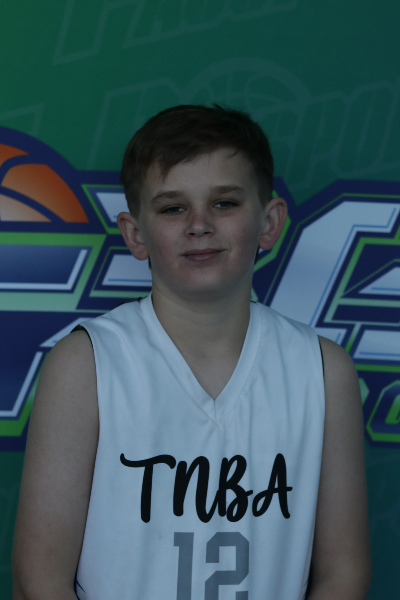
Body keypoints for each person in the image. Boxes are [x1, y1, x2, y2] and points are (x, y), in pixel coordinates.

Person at [12, 105, 371, 600]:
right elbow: (39, 580)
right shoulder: (86, 365)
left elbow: (344, 574)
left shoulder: (324, 371)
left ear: (269, 222)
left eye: (224, 203)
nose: (199, 225)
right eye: (172, 208)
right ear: (135, 234)